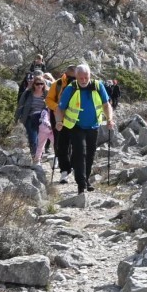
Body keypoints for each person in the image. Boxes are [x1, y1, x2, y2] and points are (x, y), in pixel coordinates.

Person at [57, 62, 113, 194]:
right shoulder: (71, 88)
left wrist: (110, 119)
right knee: (79, 153)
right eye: (80, 78)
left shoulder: (98, 86)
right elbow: (60, 108)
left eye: (86, 77)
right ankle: (81, 185)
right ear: (76, 77)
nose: (83, 80)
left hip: (93, 126)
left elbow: (106, 105)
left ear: (90, 75)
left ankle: (86, 179)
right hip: (76, 126)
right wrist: (59, 121)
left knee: (90, 154)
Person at [46, 62, 79, 185]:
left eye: (74, 77)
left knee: (75, 144)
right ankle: (64, 170)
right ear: (65, 74)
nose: (72, 80)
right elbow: (48, 100)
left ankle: (75, 167)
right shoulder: (58, 84)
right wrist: (58, 108)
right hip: (58, 118)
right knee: (61, 145)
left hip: (76, 118)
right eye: (70, 77)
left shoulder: (81, 85)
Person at [14, 71, 53, 162]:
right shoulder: (28, 93)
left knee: (41, 138)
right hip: (29, 118)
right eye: (37, 84)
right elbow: (20, 105)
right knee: (33, 138)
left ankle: (39, 154)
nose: (40, 86)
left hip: (43, 119)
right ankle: (35, 157)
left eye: (42, 84)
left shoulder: (47, 93)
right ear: (33, 84)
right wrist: (16, 119)